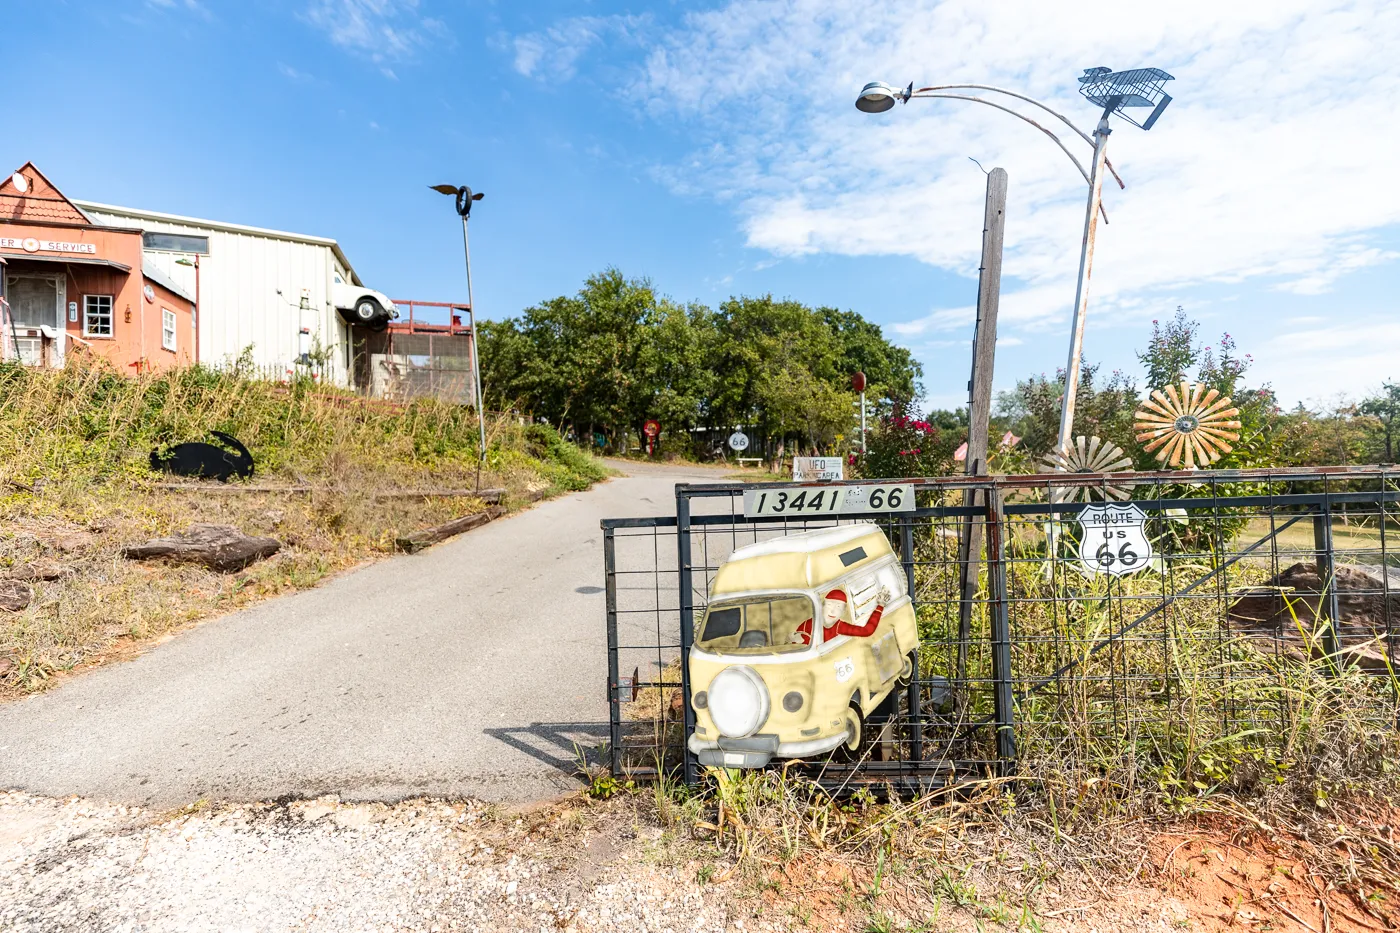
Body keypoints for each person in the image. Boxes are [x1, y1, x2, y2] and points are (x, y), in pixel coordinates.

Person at [792, 586, 890, 646]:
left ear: (842, 612)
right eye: (829, 605)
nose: (833, 610)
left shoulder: (840, 626)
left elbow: (867, 631)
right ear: (822, 606)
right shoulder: (806, 625)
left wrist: (880, 606)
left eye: (838, 607)